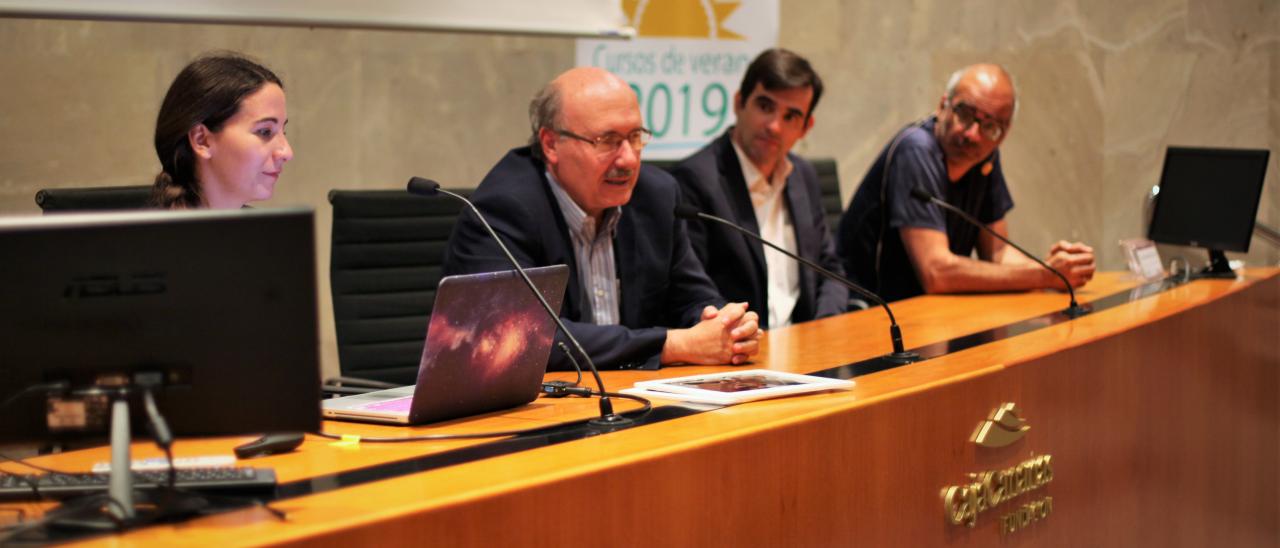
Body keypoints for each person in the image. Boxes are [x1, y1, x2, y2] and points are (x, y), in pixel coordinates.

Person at [442, 67, 760, 370]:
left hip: (632, 400)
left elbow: (693, 298)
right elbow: (518, 337)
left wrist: (725, 324)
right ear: (551, 144)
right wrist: (673, 345)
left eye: (635, 137)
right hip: (535, 411)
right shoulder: (504, 208)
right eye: (607, 141)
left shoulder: (656, 196)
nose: (628, 159)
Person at [836, 63, 1095, 302]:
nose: (973, 134)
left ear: (1003, 135)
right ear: (942, 106)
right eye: (965, 114)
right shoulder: (916, 151)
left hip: (927, 314)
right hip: (869, 312)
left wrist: (1057, 269)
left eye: (990, 127)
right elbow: (936, 272)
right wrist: (1042, 275)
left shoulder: (985, 160)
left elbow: (998, 254)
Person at [671, 48, 846, 329]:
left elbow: (830, 269)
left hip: (807, 348)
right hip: (743, 352)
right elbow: (692, 293)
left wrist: (823, 328)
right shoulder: (695, 181)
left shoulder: (803, 176)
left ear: (805, 127)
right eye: (765, 107)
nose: (775, 127)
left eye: (791, 116)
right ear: (739, 103)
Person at [149, 53, 293, 209]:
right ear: (201, 140)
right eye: (265, 131)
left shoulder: (267, 230)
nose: (287, 152)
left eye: (282, 132)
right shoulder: (160, 233)